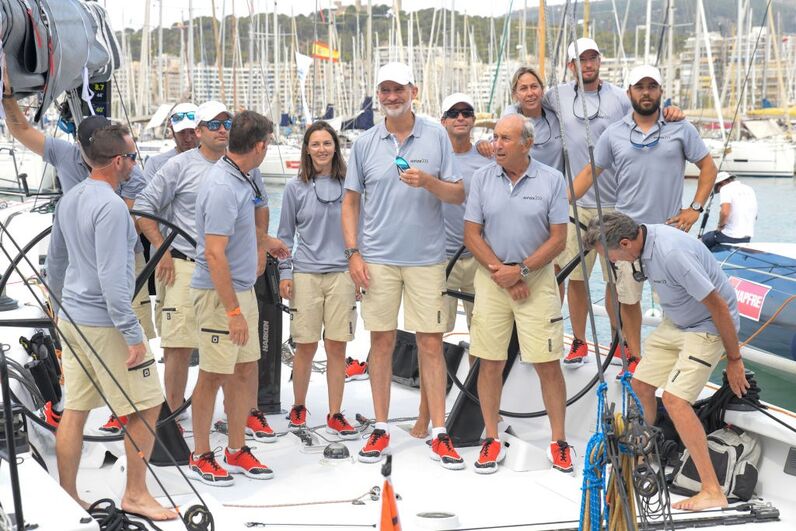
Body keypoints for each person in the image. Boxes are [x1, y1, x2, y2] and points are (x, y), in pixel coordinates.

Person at [3, 79, 156, 431]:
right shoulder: (103, 161)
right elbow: (21, 129)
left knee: (98, 351)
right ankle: (127, 406)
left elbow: (137, 214)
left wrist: (57, 302)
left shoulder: (116, 167)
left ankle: (110, 408)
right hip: (93, 262)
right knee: (125, 342)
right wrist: (8, 98)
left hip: (93, 257)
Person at [47, 124, 177, 521]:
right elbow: (112, 279)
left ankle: (68, 496)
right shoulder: (113, 208)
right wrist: (132, 333)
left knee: (76, 408)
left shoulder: (69, 200)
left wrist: (57, 308)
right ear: (118, 161)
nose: (135, 164)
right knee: (147, 404)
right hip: (106, 324)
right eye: (133, 157)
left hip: (73, 318)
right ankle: (135, 494)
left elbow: (56, 263)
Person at [342, 62, 466, 469]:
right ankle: (380, 427)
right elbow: (350, 202)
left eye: (398, 89)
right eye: (385, 91)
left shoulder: (436, 136)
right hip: (376, 259)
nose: (392, 97)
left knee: (431, 344)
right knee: (381, 343)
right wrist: (353, 253)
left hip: (427, 260)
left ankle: (439, 431)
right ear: (378, 95)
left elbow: (457, 195)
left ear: (413, 90)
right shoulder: (364, 143)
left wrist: (428, 181)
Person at [584, 211, 750, 511]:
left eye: (612, 257)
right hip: (676, 323)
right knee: (640, 386)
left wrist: (734, 358)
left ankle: (713, 490)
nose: (614, 262)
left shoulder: (672, 253)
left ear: (625, 243)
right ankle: (642, 459)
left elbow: (720, 306)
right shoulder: (642, 240)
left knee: (675, 400)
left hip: (706, 326)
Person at [571, 65, 717, 376]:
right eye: (640, 87)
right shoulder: (614, 134)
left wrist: (695, 208)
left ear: (661, 92)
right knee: (627, 299)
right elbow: (588, 174)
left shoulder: (681, 128)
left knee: (675, 302)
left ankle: (678, 359)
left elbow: (708, 168)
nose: (646, 92)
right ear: (630, 93)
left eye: (652, 86)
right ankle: (635, 357)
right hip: (625, 234)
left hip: (669, 233)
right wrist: (560, 203)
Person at [547, 39, 683, 368]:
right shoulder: (557, 96)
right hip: (576, 205)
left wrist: (673, 111)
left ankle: (620, 342)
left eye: (593, 58)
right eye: (581, 60)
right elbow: (527, 104)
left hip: (617, 206)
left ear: (600, 62)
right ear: (570, 66)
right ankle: (579, 341)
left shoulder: (620, 98)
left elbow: (649, 115)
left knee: (616, 282)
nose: (588, 64)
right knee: (576, 278)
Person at [464, 114, 571, 474]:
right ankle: (491, 439)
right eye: (495, 138)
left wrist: (521, 271)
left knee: (547, 363)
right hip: (492, 276)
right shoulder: (481, 178)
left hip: (536, 279)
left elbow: (559, 238)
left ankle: (559, 442)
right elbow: (472, 235)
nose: (496, 145)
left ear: (526, 143)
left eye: (505, 139)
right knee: (489, 361)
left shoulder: (552, 180)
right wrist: (503, 273)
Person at [188, 110, 289, 485]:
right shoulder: (222, 187)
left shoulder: (243, 177)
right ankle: (200, 455)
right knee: (213, 375)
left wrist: (267, 242)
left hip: (242, 289)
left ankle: (236, 448)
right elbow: (214, 254)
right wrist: (232, 310)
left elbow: (240, 233)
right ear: (260, 146)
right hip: (219, 295)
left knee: (245, 370)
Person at [409, 92, 490, 439]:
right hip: (436, 259)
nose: (461, 118)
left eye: (467, 112)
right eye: (453, 113)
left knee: (483, 343)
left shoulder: (487, 160)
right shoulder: (429, 157)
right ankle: (424, 417)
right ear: (443, 121)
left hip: (478, 259)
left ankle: (477, 413)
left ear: (473, 120)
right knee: (432, 342)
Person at [277, 121, 359, 439]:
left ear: (335, 148)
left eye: (327, 143)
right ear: (307, 149)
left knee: (336, 346)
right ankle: (298, 405)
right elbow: (284, 237)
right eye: (316, 144)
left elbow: (361, 233)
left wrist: (360, 275)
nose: (322, 149)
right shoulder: (294, 188)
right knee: (306, 346)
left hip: (341, 273)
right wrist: (286, 274)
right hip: (306, 273)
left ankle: (335, 413)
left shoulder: (350, 187)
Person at [143, 103, 199, 181]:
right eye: (182, 132)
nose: (188, 139)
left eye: (192, 132)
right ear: (172, 131)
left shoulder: (215, 162)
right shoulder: (154, 164)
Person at [701, 172, 758, 249]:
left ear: (722, 183)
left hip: (730, 236)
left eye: (717, 188)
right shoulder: (749, 189)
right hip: (747, 238)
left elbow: (725, 212)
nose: (719, 190)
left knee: (700, 241)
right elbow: (755, 216)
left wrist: (719, 227)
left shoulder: (725, 188)